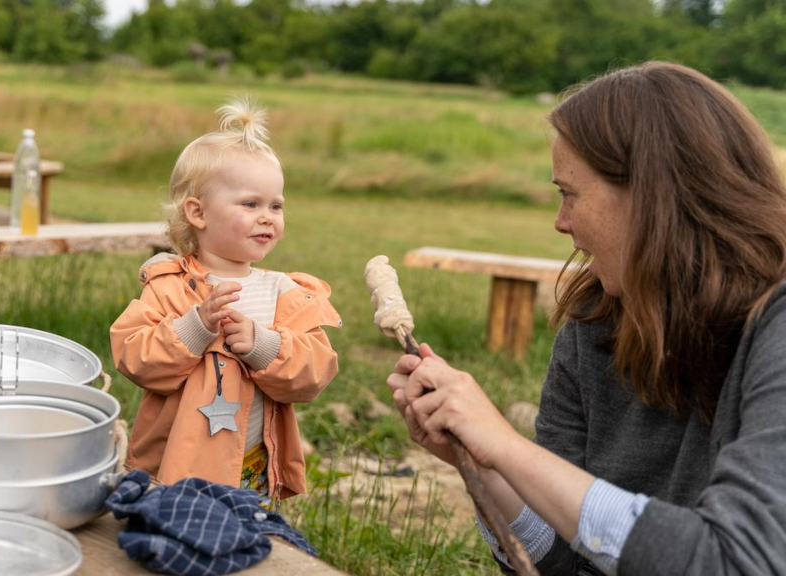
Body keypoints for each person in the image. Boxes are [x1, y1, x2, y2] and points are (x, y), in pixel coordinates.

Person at [387, 61, 786, 575]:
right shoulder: (596, 320)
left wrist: (508, 448)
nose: (560, 222)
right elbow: (561, 559)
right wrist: (485, 465)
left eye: (569, 193)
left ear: (652, 194)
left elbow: (735, 560)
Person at [110, 98, 341, 508]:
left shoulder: (284, 293)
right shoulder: (170, 286)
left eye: (276, 205)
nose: (267, 216)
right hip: (174, 465)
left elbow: (315, 372)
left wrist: (263, 345)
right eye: (250, 204)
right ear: (198, 213)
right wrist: (195, 327)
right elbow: (134, 357)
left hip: (249, 464)